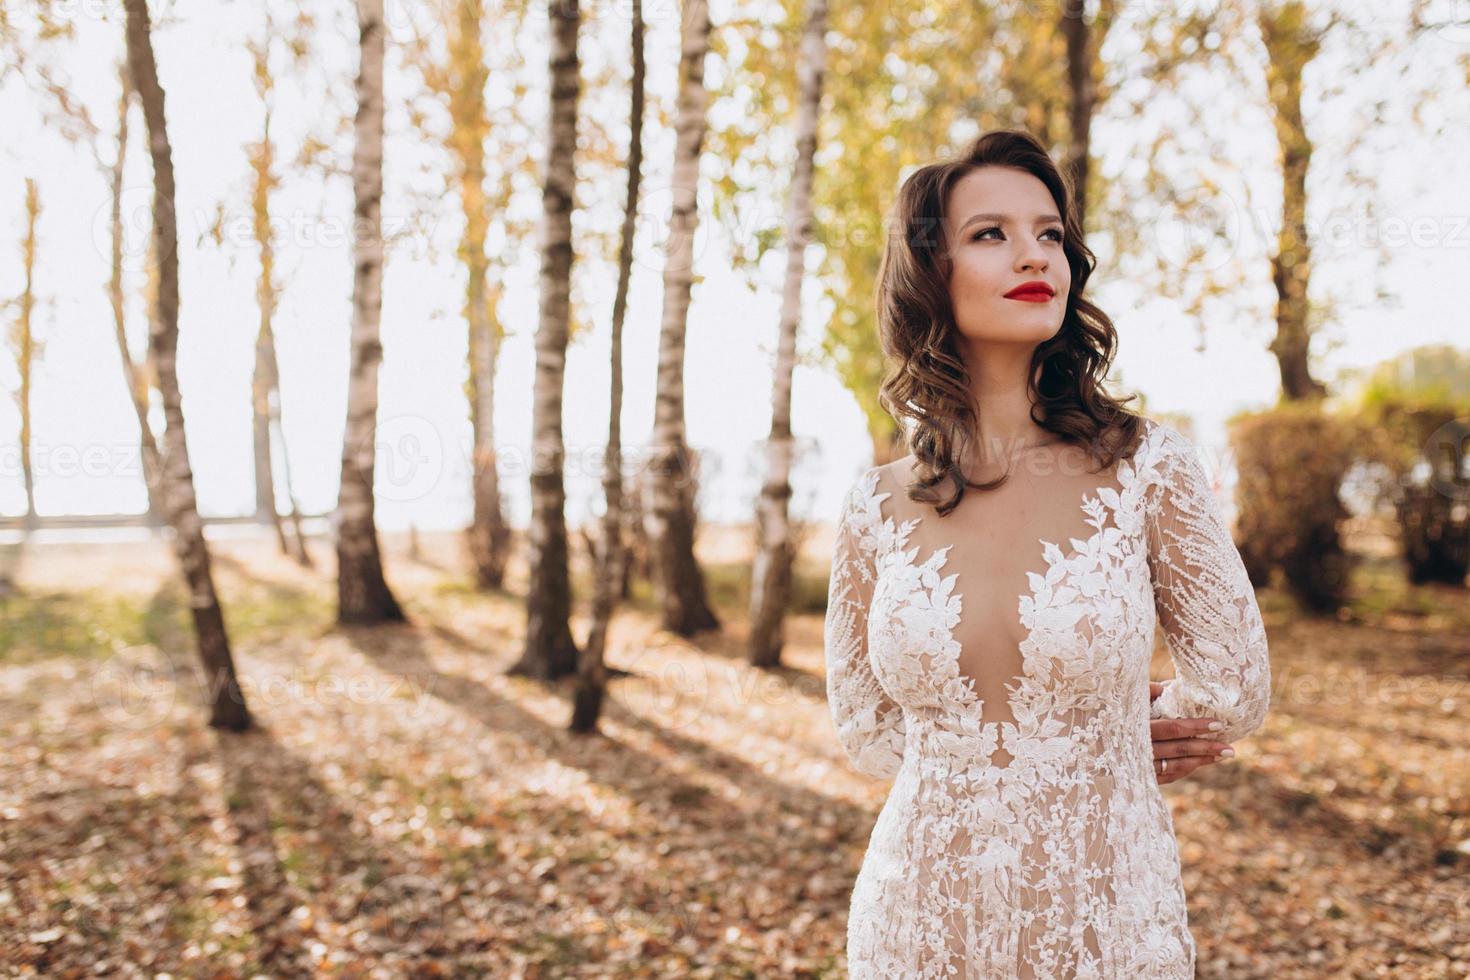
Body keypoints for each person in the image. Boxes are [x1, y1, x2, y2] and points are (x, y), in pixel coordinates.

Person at [823, 129, 1271, 978]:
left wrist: (1107, 734)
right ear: (929, 273)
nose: (1034, 254)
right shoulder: (874, 506)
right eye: (990, 233)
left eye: (1050, 234)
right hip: (916, 923)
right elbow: (866, 725)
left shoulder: (1147, 468)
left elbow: (1233, 686)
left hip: (1107, 918)